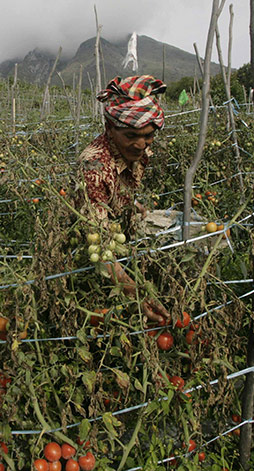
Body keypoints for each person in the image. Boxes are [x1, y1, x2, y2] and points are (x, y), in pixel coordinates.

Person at [76, 75, 170, 325]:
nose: (141, 145)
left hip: (116, 231)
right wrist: (132, 289)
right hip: (89, 245)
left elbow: (122, 186)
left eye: (149, 135)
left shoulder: (138, 151)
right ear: (110, 129)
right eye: (131, 135)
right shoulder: (95, 166)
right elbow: (98, 243)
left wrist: (130, 203)